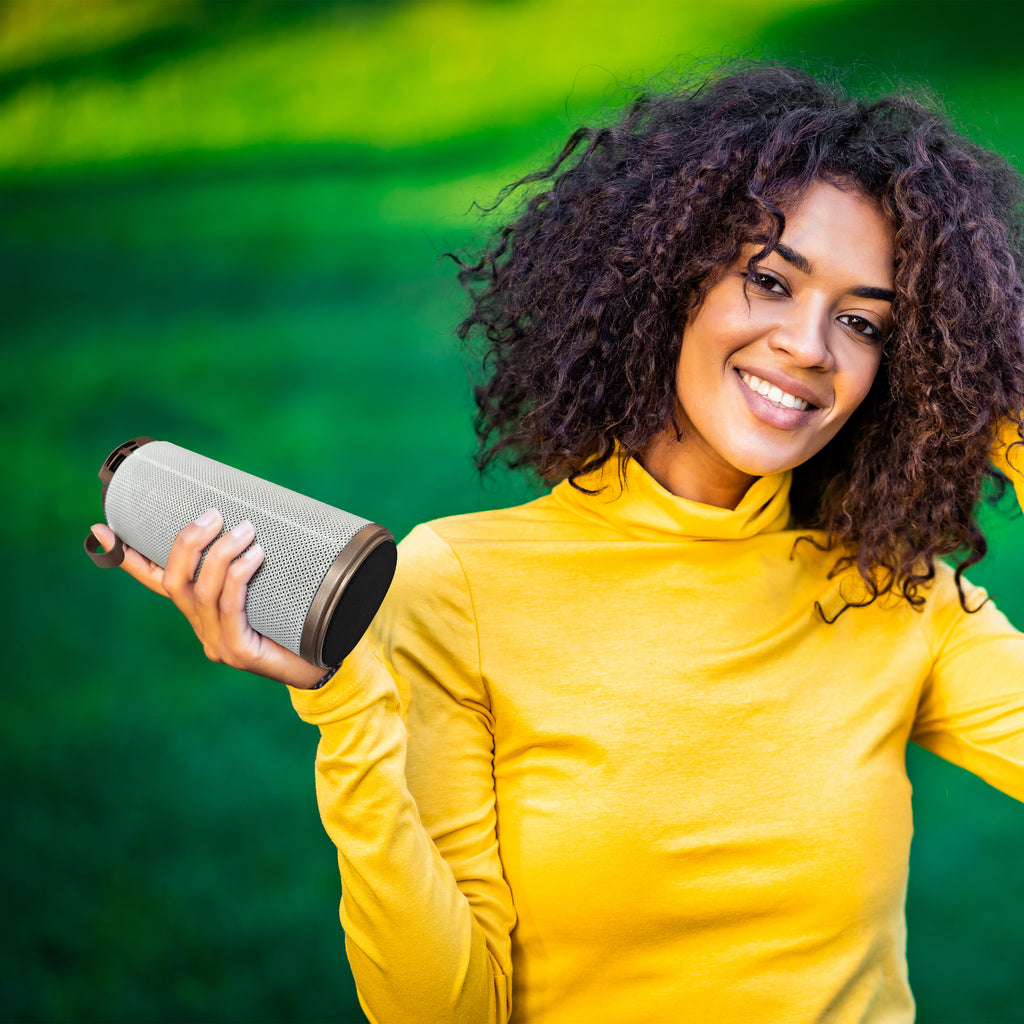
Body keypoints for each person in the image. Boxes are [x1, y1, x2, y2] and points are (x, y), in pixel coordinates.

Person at [91, 64, 1024, 1023]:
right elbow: (444, 1011)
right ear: (673, 276)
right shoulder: (458, 586)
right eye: (770, 282)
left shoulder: (896, 595)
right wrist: (345, 706)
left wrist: (999, 399)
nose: (810, 345)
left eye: (863, 323)